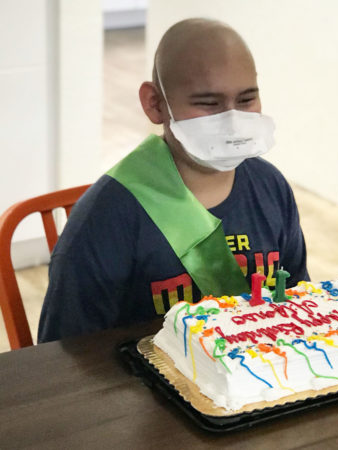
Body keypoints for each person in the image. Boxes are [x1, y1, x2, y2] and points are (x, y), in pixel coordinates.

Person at [38, 18, 309, 343]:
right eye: (209, 104)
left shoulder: (272, 188)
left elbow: (298, 303)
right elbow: (65, 358)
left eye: (246, 100)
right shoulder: (106, 219)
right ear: (155, 104)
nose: (233, 121)